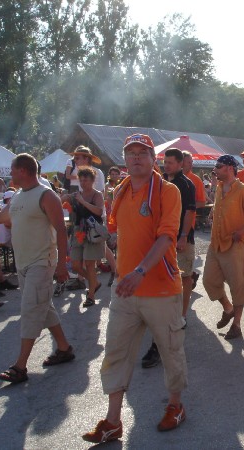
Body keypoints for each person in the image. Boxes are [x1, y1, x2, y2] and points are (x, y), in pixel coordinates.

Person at [82, 134, 187, 443]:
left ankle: (176, 406)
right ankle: (113, 421)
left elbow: (167, 237)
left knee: (171, 352)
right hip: (126, 289)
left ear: (153, 159)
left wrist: (141, 270)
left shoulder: (168, 192)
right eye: (132, 153)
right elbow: (120, 235)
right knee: (116, 352)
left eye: (143, 153)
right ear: (124, 159)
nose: (137, 158)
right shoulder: (120, 190)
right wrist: (110, 243)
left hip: (161, 289)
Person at [0, 153, 74, 383]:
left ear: (24, 171)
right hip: (24, 264)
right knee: (43, 306)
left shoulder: (47, 195)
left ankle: (20, 366)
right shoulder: (18, 196)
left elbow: (60, 229)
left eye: (12, 169)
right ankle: (64, 348)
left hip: (42, 262)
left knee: (30, 310)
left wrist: (61, 264)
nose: (9, 173)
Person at [142, 148, 197, 368]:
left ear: (181, 163)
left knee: (181, 279)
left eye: (171, 162)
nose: (167, 165)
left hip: (181, 240)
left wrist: (183, 236)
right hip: (159, 240)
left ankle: (179, 317)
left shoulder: (186, 184)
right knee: (165, 281)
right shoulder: (159, 182)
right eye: (165, 162)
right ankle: (168, 325)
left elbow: (190, 212)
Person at [203, 155, 244, 340]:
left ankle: (237, 325)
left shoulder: (243, 190)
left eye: (219, 166)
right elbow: (220, 206)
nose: (215, 169)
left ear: (230, 169)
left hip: (234, 244)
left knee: (237, 285)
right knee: (209, 281)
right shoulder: (218, 187)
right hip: (215, 242)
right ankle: (228, 308)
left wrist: (242, 232)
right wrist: (212, 213)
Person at [61, 168, 105, 307]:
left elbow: (99, 211)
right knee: (75, 265)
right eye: (81, 179)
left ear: (92, 181)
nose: (83, 182)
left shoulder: (97, 195)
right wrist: (63, 197)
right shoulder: (75, 195)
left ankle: (90, 296)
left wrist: (83, 201)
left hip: (92, 232)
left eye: (86, 179)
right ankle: (94, 282)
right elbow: (61, 202)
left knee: (90, 265)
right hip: (78, 231)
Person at [182, 151, 206, 287]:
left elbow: (202, 202)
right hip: (171, 223)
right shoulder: (169, 178)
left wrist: (185, 207)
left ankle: (189, 276)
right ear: (181, 162)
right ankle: (191, 275)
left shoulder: (195, 180)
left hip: (187, 224)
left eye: (192, 162)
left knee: (184, 255)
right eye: (188, 162)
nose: (191, 164)